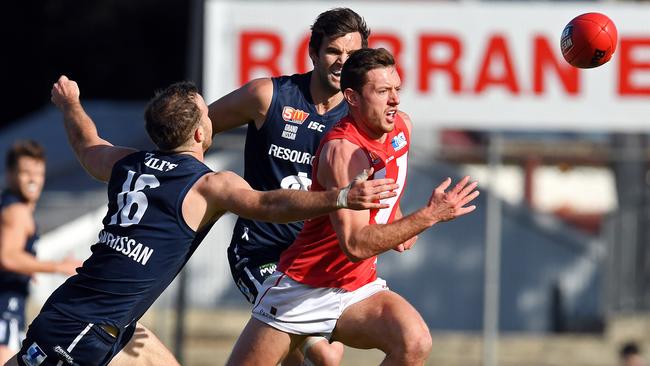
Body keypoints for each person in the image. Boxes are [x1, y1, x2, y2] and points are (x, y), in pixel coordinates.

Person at [4, 75, 398, 366]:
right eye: (207, 111)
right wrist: (340, 197)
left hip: (106, 321)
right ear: (199, 131)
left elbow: (87, 145)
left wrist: (71, 103)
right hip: (81, 328)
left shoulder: (128, 163)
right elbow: (270, 205)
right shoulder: (206, 185)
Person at [226, 48, 480, 366]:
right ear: (353, 97)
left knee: (414, 342)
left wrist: (399, 223)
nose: (395, 100)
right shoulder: (343, 152)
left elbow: (391, 194)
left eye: (397, 89)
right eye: (382, 91)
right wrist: (429, 216)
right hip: (301, 291)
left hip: (357, 288)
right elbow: (356, 245)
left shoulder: (402, 127)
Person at [207, 7, 370, 364]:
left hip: (321, 260)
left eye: (353, 55)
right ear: (313, 53)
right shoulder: (267, 96)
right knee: (323, 356)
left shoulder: (360, 120)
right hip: (262, 252)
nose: (343, 62)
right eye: (333, 52)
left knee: (299, 357)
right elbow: (196, 131)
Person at [0, 141, 80, 364]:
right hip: (4, 306)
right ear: (10, 174)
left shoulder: (12, 206)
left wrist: (27, 268)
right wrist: (57, 266)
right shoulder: (17, 211)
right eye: (25, 173)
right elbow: (7, 256)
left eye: (38, 173)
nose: (33, 179)